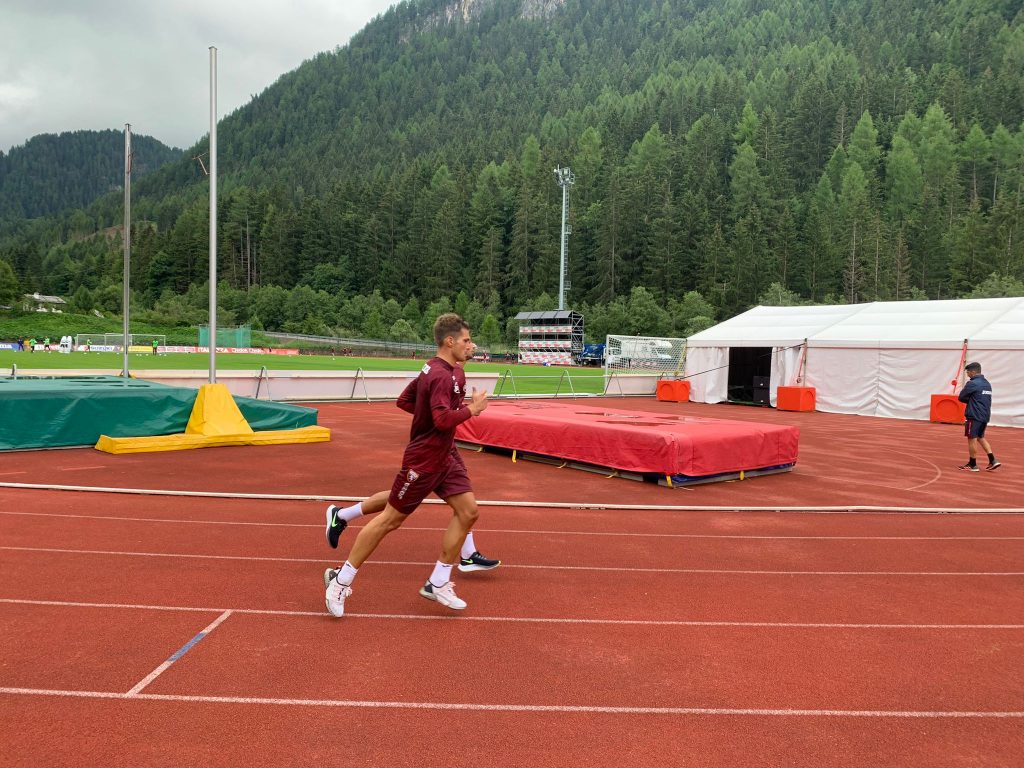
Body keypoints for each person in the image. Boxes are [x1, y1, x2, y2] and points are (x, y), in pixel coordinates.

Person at [324, 313, 490, 617]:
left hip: (446, 456)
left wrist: (431, 416)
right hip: (424, 459)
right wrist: (473, 410)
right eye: (467, 340)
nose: (472, 345)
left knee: (468, 512)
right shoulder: (439, 374)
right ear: (449, 341)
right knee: (390, 520)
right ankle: (340, 580)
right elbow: (440, 420)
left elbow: (406, 401)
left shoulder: (452, 371)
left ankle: (438, 582)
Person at [958, 362, 1000, 472]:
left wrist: (970, 400)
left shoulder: (972, 383)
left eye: (968, 372)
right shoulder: (987, 383)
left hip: (974, 415)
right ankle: (993, 460)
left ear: (973, 372)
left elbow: (961, 397)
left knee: (972, 438)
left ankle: (973, 464)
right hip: (985, 415)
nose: (967, 374)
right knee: (980, 437)